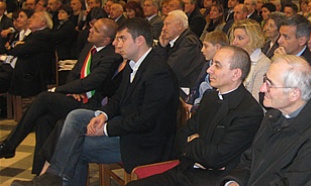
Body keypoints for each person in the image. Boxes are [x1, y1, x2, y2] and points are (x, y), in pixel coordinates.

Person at [11, 18, 180, 186]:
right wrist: (104, 115)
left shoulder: (158, 73)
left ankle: (52, 180)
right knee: (76, 116)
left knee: (77, 146)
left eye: (122, 38)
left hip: (145, 143)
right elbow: (118, 98)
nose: (116, 43)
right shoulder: (134, 65)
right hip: (130, 132)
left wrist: (106, 129)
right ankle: (53, 179)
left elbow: (145, 120)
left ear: (139, 41)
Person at [0, 18, 122, 174]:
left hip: (91, 104)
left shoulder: (111, 56)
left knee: (45, 97)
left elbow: (93, 81)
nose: (90, 30)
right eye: (93, 27)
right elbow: (74, 73)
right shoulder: (89, 47)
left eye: (96, 30)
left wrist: (59, 90)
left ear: (106, 39)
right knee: (44, 118)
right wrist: (71, 90)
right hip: (77, 97)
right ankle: (39, 174)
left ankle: (10, 145)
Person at [128, 46, 264, 186]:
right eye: (212, 64)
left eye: (217, 65)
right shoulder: (209, 97)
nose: (209, 70)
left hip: (210, 179)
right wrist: (199, 150)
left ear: (235, 74)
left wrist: (192, 142)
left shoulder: (249, 111)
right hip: (185, 170)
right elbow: (180, 137)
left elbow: (216, 158)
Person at [219, 55, 311, 186]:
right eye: (265, 80)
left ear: (294, 94)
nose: (262, 89)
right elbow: (249, 161)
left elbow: (295, 182)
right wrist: (234, 181)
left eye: (270, 84)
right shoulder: (275, 114)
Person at [157, 10, 205, 97]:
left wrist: (162, 49)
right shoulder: (174, 42)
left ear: (179, 26)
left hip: (185, 93)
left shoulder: (189, 43)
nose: (163, 29)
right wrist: (162, 47)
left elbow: (169, 70)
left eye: (167, 24)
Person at [186, 30, 228, 111]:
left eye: (206, 46)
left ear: (217, 48)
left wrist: (193, 108)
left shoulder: (223, 71)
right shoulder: (206, 65)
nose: (202, 50)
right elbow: (196, 88)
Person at [230, 19, 270, 99]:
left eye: (240, 38)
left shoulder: (263, 64)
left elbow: (257, 99)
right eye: (234, 38)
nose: (234, 42)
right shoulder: (235, 59)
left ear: (253, 39)